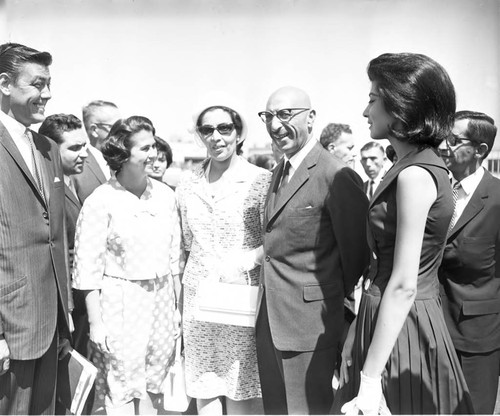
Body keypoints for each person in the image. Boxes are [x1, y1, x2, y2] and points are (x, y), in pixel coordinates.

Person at [334, 53, 474, 415]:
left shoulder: (414, 174)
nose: (366, 112)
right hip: (388, 316)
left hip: (402, 323)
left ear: (400, 106)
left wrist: (369, 382)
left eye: (372, 99)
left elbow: (404, 284)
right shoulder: (412, 166)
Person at [255, 86, 369, 414]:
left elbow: (356, 255)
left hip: (310, 326)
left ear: (312, 117)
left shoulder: (336, 174)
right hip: (271, 321)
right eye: (269, 116)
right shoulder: (280, 170)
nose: (276, 125)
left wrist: (330, 304)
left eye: (286, 115)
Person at [72, 116, 182, 415]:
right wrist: (96, 323)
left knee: (156, 381)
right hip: (119, 305)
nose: (154, 154)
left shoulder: (166, 196)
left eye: (154, 146)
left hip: (160, 302)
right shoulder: (101, 201)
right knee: (122, 388)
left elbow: (174, 260)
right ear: (123, 153)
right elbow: (87, 268)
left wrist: (176, 309)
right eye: (145, 148)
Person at [176, 100, 271, 415]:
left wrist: (245, 261)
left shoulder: (261, 181)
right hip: (199, 302)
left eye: (224, 128)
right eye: (207, 129)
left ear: (239, 132)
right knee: (206, 387)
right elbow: (188, 244)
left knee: (242, 386)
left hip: (241, 298)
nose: (216, 136)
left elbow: (273, 240)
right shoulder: (187, 187)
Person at [0, 42, 71, 414]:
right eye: (37, 84)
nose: (47, 94)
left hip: (51, 322)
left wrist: (65, 317)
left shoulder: (47, 148)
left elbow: (54, 237)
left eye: (49, 84)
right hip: (9, 326)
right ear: (5, 84)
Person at [438, 111, 500, 414]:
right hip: (430, 331)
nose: (444, 146)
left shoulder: (498, 200)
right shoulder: (436, 192)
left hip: (476, 339)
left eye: (453, 140)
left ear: (481, 150)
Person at [39, 113, 90, 357]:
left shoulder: (70, 182)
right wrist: (64, 313)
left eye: (85, 146)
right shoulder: (48, 188)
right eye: (75, 148)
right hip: (63, 304)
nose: (85, 154)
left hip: (79, 300)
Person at [73, 100, 120, 203]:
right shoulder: (77, 169)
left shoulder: (125, 163)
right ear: (94, 130)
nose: (122, 132)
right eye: (116, 127)